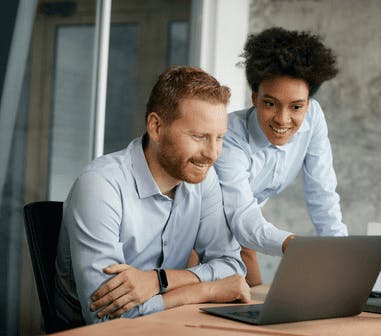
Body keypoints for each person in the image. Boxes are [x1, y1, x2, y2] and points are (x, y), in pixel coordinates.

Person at [54, 66, 249, 327]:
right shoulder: (100, 185)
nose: (213, 153)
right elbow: (107, 317)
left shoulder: (203, 178)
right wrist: (207, 290)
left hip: (170, 327)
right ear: (156, 127)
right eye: (199, 136)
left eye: (220, 138)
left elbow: (232, 266)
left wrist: (157, 280)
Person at [214, 27, 348, 286]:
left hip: (246, 233)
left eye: (296, 106)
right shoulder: (229, 137)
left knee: (253, 305)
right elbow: (241, 216)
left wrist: (342, 254)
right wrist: (292, 245)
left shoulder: (314, 118)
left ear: (308, 103)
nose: (283, 119)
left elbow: (323, 194)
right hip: (201, 235)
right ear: (255, 97)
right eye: (270, 103)